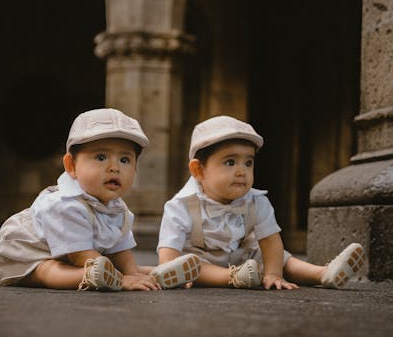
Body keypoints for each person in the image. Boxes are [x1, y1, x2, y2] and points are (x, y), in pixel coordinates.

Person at [0, 108, 200, 291]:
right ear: (71, 166)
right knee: (48, 270)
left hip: (87, 258)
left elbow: (121, 251)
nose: (114, 166)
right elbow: (80, 256)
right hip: (33, 254)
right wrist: (123, 280)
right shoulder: (64, 204)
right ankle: (95, 278)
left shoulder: (119, 209)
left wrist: (132, 274)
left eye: (125, 159)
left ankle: (157, 275)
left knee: (123, 268)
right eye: (101, 157)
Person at [156, 115, 366, 290]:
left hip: (243, 258)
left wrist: (274, 274)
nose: (242, 171)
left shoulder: (256, 201)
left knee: (278, 258)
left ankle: (323, 273)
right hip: (200, 263)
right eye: (230, 162)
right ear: (198, 170)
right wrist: (175, 274)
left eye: (248, 163)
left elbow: (270, 240)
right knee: (191, 265)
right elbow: (169, 258)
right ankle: (233, 277)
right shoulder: (181, 206)